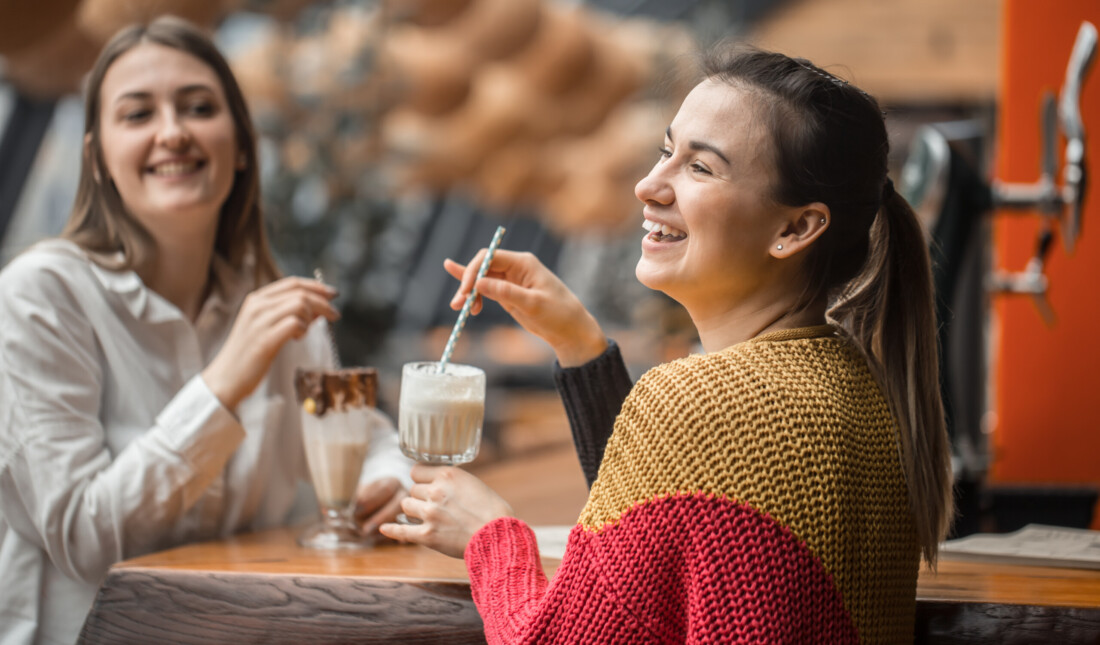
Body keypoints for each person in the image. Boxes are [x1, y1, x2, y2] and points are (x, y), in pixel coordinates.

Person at [381, 45, 954, 643]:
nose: (647, 185)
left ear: (795, 228)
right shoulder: (859, 385)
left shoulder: (700, 401)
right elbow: (663, 537)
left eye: (700, 167)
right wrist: (579, 344)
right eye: (665, 152)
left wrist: (489, 534)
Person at [0, 17, 412, 644]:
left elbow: (368, 439)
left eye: (198, 107)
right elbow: (86, 543)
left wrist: (392, 484)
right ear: (98, 157)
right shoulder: (40, 297)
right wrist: (223, 384)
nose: (173, 132)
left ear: (242, 145)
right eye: (137, 115)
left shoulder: (277, 310)